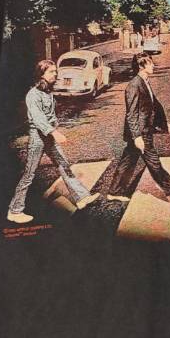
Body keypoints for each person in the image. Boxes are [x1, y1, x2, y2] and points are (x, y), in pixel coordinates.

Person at [7, 59, 100, 223]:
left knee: (63, 165)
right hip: (38, 137)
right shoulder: (33, 94)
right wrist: (54, 132)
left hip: (49, 135)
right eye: (51, 71)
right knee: (29, 174)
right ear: (41, 74)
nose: (55, 74)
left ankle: (82, 198)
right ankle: (15, 210)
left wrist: (54, 128)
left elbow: (50, 115)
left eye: (56, 71)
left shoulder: (47, 92)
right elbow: (38, 118)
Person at [106, 54, 170, 202]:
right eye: (149, 63)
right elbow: (131, 114)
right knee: (153, 161)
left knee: (128, 160)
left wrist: (163, 123)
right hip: (141, 132)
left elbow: (154, 104)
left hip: (144, 129)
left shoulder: (144, 81)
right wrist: (136, 137)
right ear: (141, 66)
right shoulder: (134, 85)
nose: (153, 65)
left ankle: (115, 191)